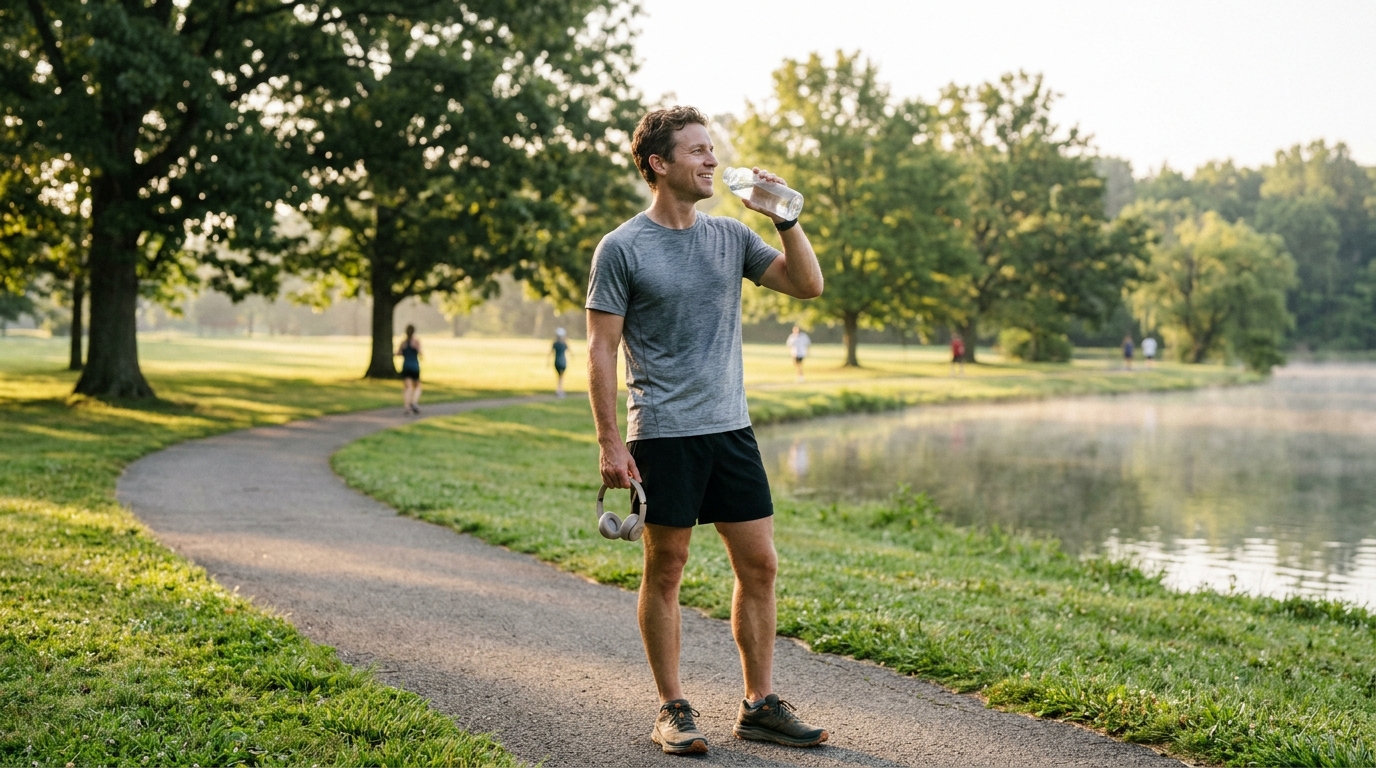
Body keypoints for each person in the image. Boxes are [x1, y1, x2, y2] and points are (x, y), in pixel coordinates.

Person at [586, 106, 828, 756]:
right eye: (697, 151)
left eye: (712, 150)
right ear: (658, 163)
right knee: (666, 568)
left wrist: (786, 219)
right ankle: (672, 708)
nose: (712, 161)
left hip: (731, 431)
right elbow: (601, 349)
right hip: (664, 434)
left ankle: (759, 705)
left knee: (760, 565)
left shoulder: (730, 237)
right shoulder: (622, 247)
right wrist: (610, 441)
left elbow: (807, 286)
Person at [396, 325, 422, 414]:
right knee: (417, 386)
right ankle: (414, 402)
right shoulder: (416, 342)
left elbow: (398, 353)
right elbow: (420, 352)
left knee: (407, 387)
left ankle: (407, 406)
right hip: (414, 366)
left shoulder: (403, 343)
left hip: (406, 366)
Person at [550, 327, 571, 398]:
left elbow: (550, 353)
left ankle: (559, 390)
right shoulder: (564, 344)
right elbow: (569, 351)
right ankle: (560, 391)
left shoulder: (555, 344)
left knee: (559, 377)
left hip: (556, 361)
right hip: (562, 362)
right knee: (561, 377)